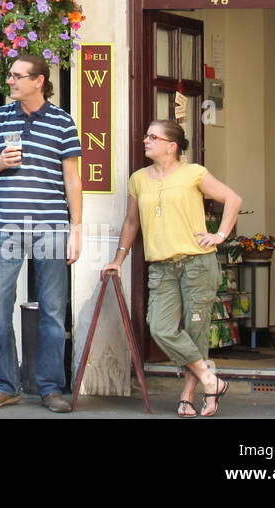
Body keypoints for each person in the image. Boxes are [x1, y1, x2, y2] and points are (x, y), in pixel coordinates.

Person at [102, 120, 241, 417]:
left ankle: (190, 396)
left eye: (154, 136)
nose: (146, 140)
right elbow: (131, 222)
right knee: (161, 327)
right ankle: (210, 379)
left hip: (196, 264)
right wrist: (118, 259)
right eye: (146, 135)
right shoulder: (139, 178)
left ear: (171, 146)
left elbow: (233, 199)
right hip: (162, 267)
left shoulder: (194, 173)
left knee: (195, 332)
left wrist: (220, 235)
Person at [0, 55, 82, 414]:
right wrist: (0, 163)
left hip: (52, 224)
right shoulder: (0, 117)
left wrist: (76, 229)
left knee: (53, 310)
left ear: (39, 81)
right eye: (10, 75)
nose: (10, 81)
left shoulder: (63, 121)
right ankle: (7, 384)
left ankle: (51, 388)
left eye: (18, 76)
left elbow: (73, 179)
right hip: (7, 225)